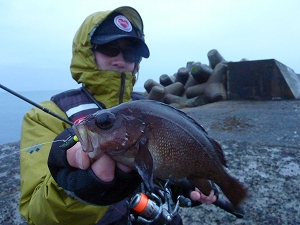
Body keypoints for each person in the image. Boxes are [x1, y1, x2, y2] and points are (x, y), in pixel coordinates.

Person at [19, 6, 216, 225]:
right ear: (87, 51)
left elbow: (162, 163)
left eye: (130, 52)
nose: (120, 60)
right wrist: (80, 188)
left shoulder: (148, 107)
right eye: (109, 48)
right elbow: (38, 215)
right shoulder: (45, 115)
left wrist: (186, 180)